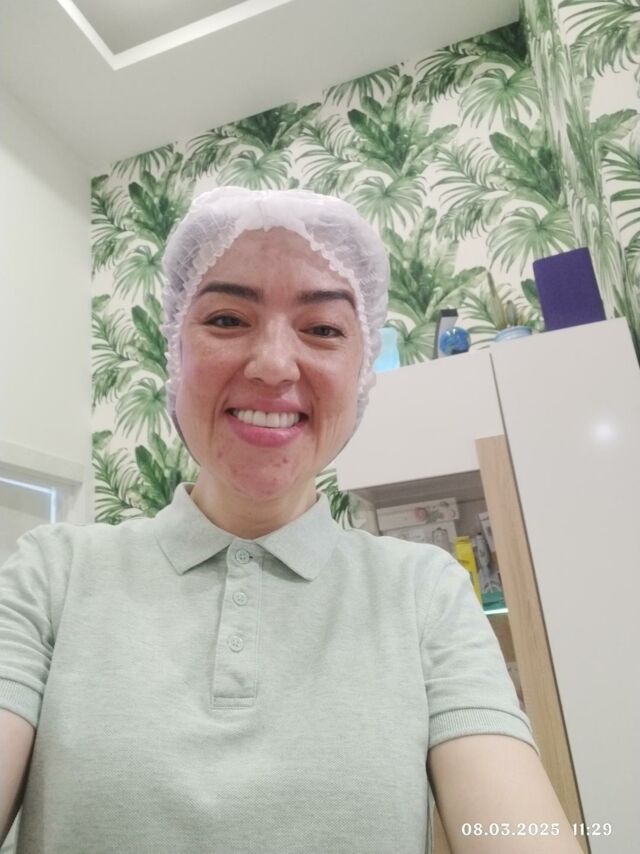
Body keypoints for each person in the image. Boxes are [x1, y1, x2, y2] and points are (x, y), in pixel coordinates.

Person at [0, 187, 582, 853]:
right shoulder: (53, 575)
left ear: (361, 369)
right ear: (175, 352)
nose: (275, 365)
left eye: (323, 329)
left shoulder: (425, 592)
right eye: (227, 319)